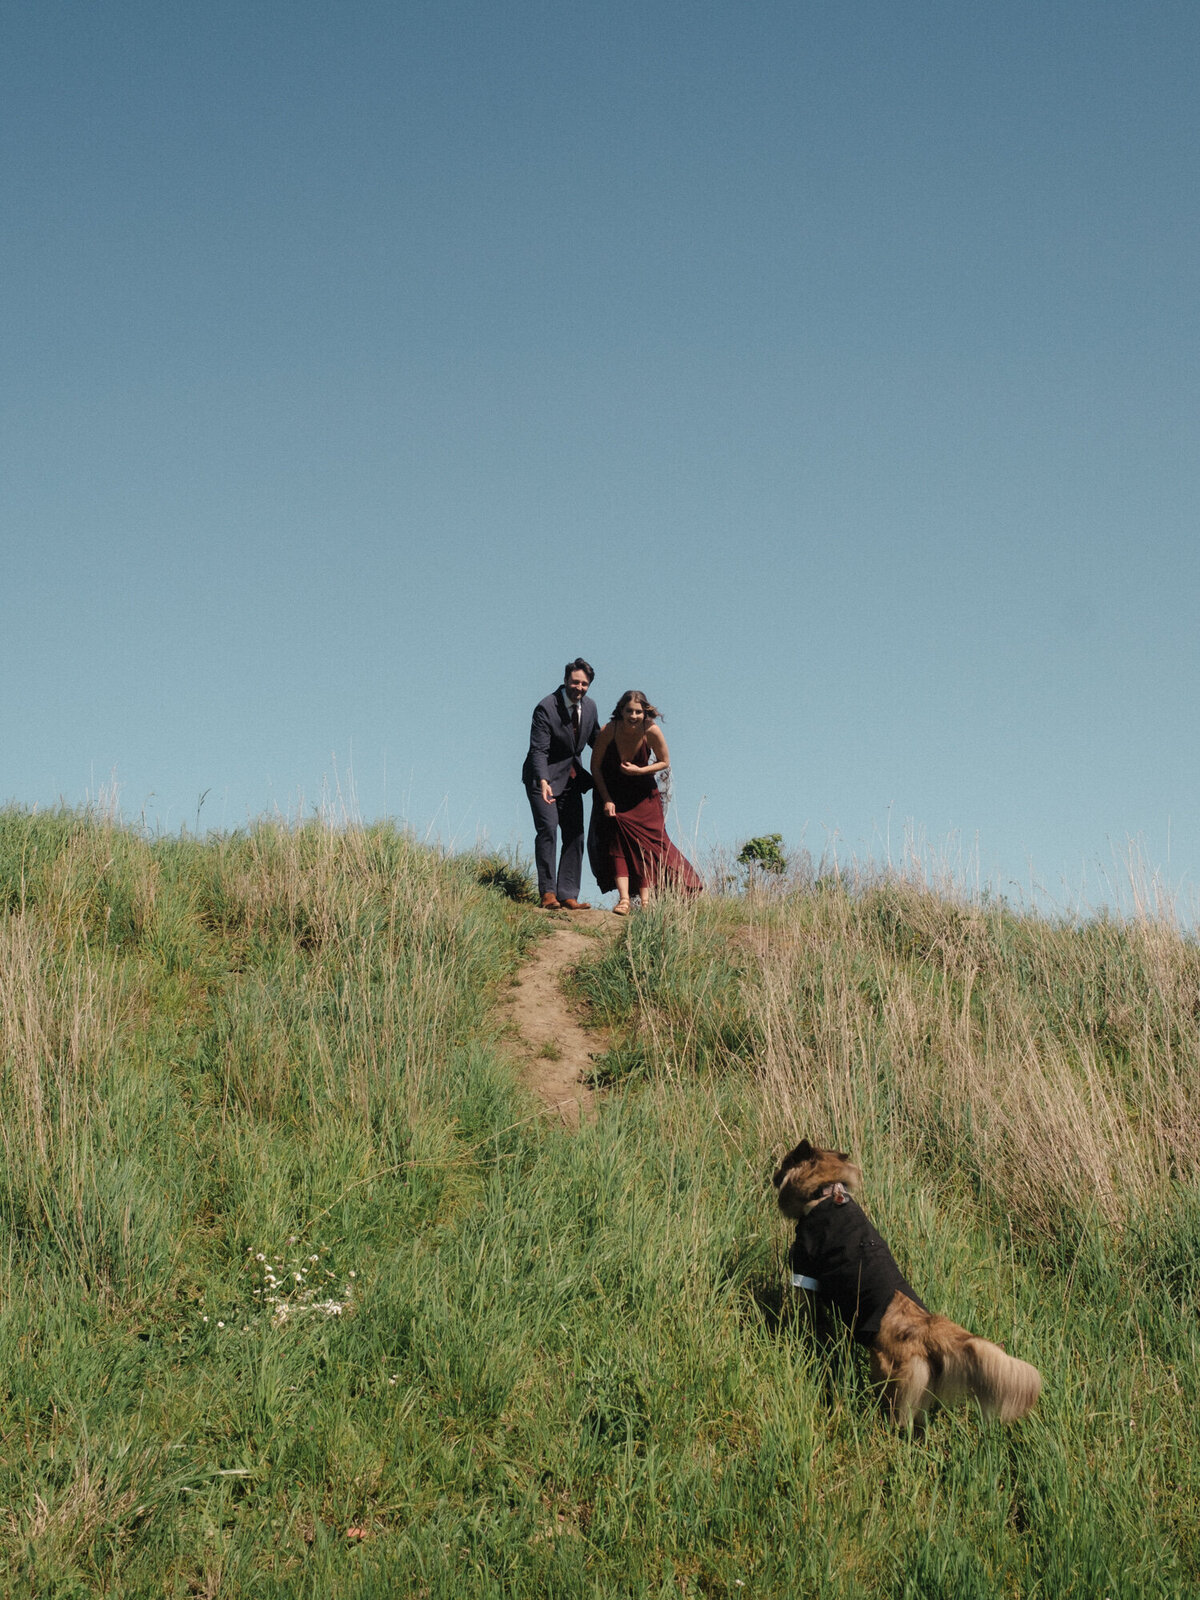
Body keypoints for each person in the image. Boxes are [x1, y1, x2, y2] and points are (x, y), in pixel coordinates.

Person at [587, 690, 702, 914]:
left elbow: (664, 761)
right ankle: (624, 900)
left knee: (648, 848)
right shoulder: (609, 730)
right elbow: (595, 767)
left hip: (644, 797)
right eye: (629, 710)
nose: (633, 715)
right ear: (620, 710)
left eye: (638, 712)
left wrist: (641, 770)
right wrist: (607, 799)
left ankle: (647, 901)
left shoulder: (651, 730)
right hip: (615, 795)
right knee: (617, 843)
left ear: (645, 712)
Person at [521, 658, 599, 910]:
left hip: (572, 779)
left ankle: (568, 894)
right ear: (566, 681)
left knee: (575, 834)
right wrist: (543, 780)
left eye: (584, 684)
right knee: (548, 829)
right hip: (542, 777)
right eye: (575, 682)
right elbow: (538, 750)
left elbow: (596, 741)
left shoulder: (590, 708)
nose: (579, 687)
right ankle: (548, 893)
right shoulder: (546, 707)